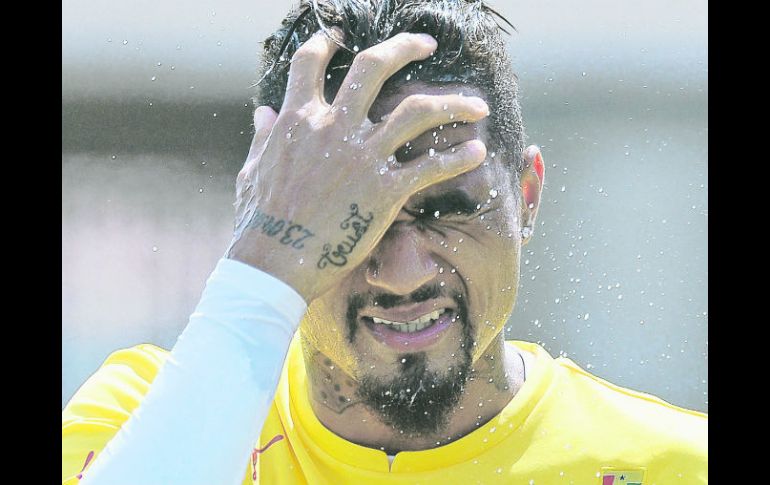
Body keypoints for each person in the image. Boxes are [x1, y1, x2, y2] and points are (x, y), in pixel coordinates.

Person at [62, 1, 708, 484]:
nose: (402, 273)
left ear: (528, 196)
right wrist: (261, 271)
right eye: (352, 215)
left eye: (449, 209)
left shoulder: (676, 465)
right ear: (266, 207)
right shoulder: (143, 420)